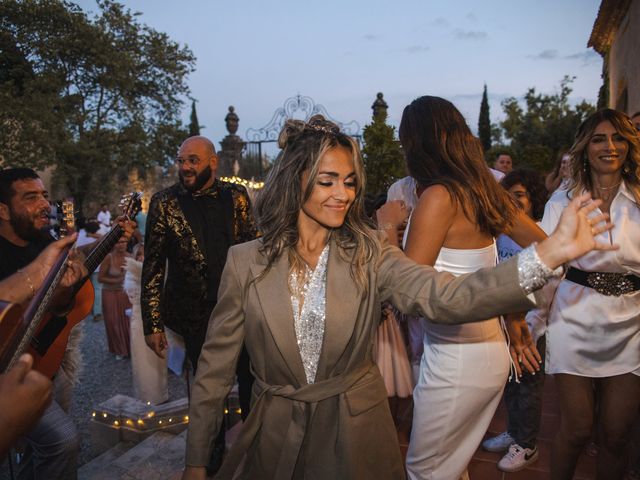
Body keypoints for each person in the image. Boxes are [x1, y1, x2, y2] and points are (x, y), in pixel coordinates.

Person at [181, 115, 614, 480]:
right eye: (327, 181)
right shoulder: (244, 263)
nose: (344, 194)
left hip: (357, 433)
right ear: (297, 181)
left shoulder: (370, 253)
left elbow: (447, 296)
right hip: (274, 436)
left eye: (350, 182)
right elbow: (214, 372)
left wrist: (546, 255)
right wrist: (196, 461)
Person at [389, 96, 546, 480]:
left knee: (425, 470)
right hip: (487, 350)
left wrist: (386, 233)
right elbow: (545, 248)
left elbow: (407, 291)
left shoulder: (439, 197)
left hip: (455, 358)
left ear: (418, 142)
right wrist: (513, 314)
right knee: (453, 467)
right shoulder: (481, 192)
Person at [0, 167, 135, 479]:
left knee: (38, 449)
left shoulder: (42, 237)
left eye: (44, 195)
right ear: (3, 210)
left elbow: (71, 263)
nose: (44, 204)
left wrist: (111, 237)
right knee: (63, 441)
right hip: (9, 370)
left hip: (49, 358)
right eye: (30, 197)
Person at [141, 135, 257, 473]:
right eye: (181, 160)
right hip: (195, 315)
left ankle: (254, 454)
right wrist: (153, 323)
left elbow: (251, 247)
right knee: (209, 395)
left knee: (252, 382)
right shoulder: (164, 202)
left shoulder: (236, 196)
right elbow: (152, 265)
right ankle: (210, 462)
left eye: (193, 160)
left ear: (212, 162)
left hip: (240, 309)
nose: (185, 167)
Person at [542, 109, 640, 480]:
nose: (609, 146)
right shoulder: (563, 201)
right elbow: (546, 268)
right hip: (574, 319)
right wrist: (529, 322)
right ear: (585, 147)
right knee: (578, 428)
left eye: (618, 138)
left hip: (632, 324)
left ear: (629, 145)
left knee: (616, 434)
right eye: (599, 138)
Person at [482, 168, 550, 472]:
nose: (512, 201)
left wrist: (529, 330)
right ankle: (514, 430)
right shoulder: (500, 235)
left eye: (519, 195)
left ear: (533, 198)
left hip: (530, 327)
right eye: (506, 196)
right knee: (510, 384)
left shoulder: (536, 233)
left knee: (528, 388)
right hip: (503, 324)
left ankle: (527, 444)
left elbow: (546, 291)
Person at [124, 244, 168, 404]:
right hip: (139, 322)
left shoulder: (154, 271)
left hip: (156, 320)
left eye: (145, 254)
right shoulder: (132, 273)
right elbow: (133, 295)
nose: (142, 258)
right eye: (139, 255)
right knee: (143, 363)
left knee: (159, 361)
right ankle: (146, 398)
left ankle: (161, 395)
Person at [98, 237, 132, 359]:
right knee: (113, 322)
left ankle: (129, 348)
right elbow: (100, 278)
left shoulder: (130, 257)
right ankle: (119, 349)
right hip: (109, 292)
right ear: (114, 244)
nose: (121, 244)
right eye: (118, 242)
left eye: (124, 241)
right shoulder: (109, 257)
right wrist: (116, 280)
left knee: (127, 320)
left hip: (125, 292)